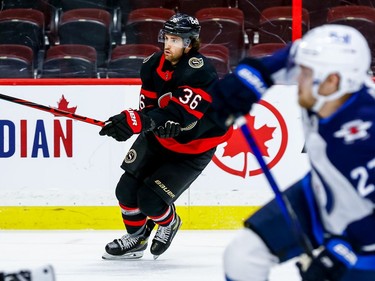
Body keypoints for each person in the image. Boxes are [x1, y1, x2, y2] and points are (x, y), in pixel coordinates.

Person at [210, 24, 375, 280]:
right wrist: (252, 77)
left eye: (306, 73)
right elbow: (290, 57)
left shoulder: (365, 135)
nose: (297, 78)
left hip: (365, 240)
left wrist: (340, 254)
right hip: (321, 195)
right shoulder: (333, 87)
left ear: (333, 81)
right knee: (243, 256)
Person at [99, 13, 231, 260]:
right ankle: (137, 239)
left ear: (189, 43)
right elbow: (148, 110)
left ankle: (169, 223)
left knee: (150, 201)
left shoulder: (201, 71)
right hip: (159, 139)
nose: (168, 45)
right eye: (166, 38)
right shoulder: (152, 65)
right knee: (125, 191)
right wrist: (130, 122)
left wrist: (150, 121)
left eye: (175, 39)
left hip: (193, 148)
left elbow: (184, 116)